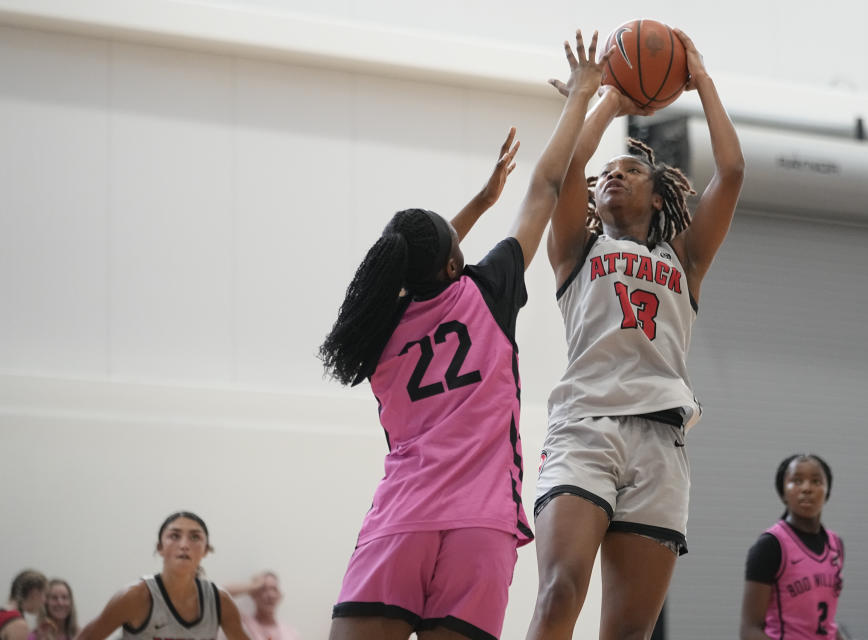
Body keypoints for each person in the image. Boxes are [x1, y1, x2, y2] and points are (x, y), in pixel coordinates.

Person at [319, 29, 611, 640]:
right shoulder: (487, 289)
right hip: (480, 524)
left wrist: (474, 206)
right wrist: (581, 95)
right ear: (455, 263)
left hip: (401, 520)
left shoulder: (374, 330)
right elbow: (546, 187)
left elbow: (412, 267)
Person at [526, 29, 745, 640]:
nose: (612, 176)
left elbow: (732, 170)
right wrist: (609, 103)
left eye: (630, 169)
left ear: (659, 191)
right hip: (585, 427)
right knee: (558, 592)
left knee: (627, 632)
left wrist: (699, 79)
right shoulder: (576, 247)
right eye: (608, 174)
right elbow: (567, 168)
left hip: (659, 439)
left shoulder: (686, 259)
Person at [75, 511, 251, 640]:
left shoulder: (220, 601)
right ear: (160, 547)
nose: (184, 545)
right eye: (175, 536)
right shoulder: (134, 596)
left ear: (206, 550)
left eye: (195, 537)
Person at [740, 454, 847, 640]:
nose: (807, 488)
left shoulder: (836, 545)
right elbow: (750, 631)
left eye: (816, 481)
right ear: (783, 492)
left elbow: (827, 622)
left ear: (827, 491)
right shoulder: (770, 545)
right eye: (797, 481)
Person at [221, 573, 300, 640]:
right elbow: (218, 594)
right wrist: (253, 585)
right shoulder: (244, 624)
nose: (270, 595)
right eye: (263, 589)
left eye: (274, 589)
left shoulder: (291, 633)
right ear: (253, 594)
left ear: (280, 596)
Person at [2, 571, 48, 640]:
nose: (44, 601)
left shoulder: (3, 614)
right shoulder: (18, 625)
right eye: (44, 594)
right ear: (34, 592)